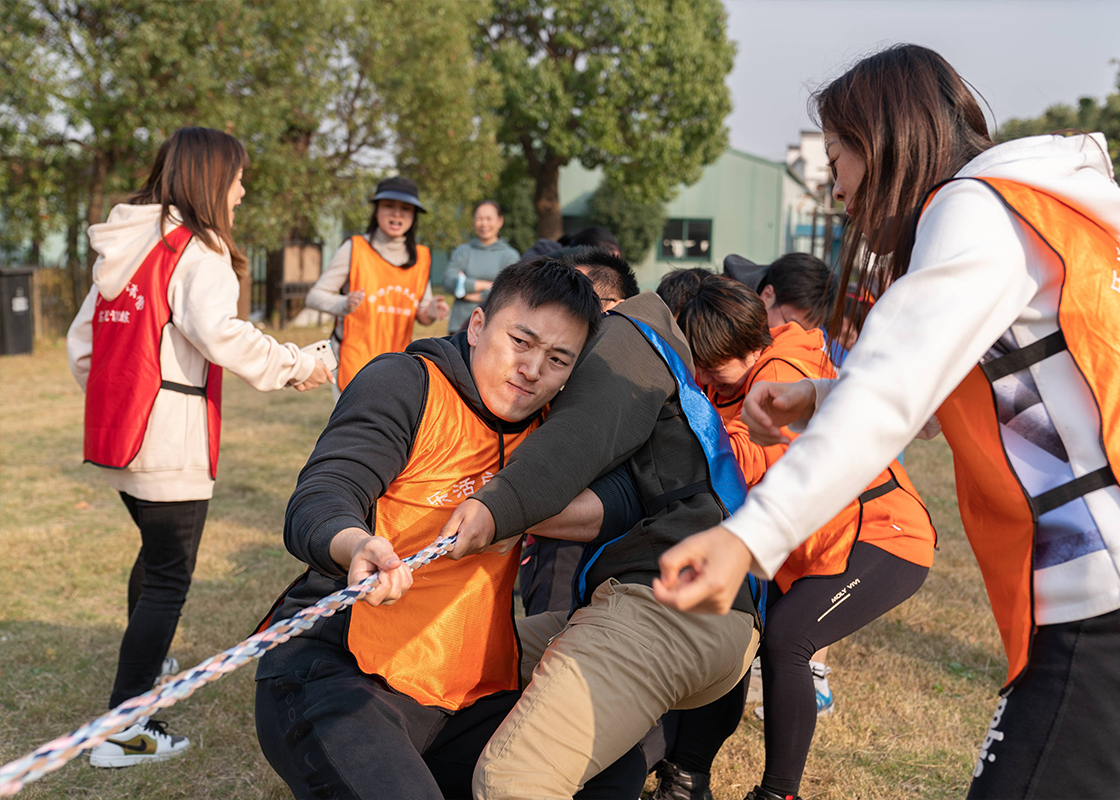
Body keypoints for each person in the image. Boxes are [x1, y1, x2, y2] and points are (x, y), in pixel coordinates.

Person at [654, 44, 1120, 799]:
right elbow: (961, 397)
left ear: (883, 143)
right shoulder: (1040, 215)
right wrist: (818, 398)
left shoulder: (976, 208)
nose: (836, 190)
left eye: (837, 160)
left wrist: (749, 537)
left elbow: (894, 391)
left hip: (1115, 600)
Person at [253, 258, 607, 799]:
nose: (532, 369)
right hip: (341, 671)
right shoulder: (406, 382)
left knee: (608, 773)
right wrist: (356, 544)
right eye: (520, 341)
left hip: (470, 692)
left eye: (557, 359)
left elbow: (623, 500)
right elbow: (323, 494)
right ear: (477, 325)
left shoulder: (553, 429)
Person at [440, 246, 762, 800]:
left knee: (513, 782)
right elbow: (612, 504)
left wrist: (493, 507)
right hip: (711, 617)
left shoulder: (627, 338)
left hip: (665, 610)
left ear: (605, 305)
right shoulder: (666, 373)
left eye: (569, 304)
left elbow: (569, 447)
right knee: (471, 656)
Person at [66, 126, 331, 768]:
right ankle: (123, 730)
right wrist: (298, 364)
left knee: (156, 560)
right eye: (237, 180)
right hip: (170, 440)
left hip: (124, 438)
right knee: (169, 579)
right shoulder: (198, 249)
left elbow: (82, 346)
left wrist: (123, 397)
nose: (240, 193)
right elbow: (222, 334)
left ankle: (146, 672)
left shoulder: (129, 242)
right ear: (211, 179)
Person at [652, 273, 935, 800]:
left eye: (713, 369)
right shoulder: (730, 376)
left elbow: (746, 455)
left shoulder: (780, 372)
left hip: (883, 537)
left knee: (787, 640)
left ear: (747, 346)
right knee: (733, 632)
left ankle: (778, 794)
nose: (707, 379)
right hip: (813, 549)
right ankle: (686, 778)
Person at [516, 248, 639, 616]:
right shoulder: (557, 365)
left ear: (615, 308)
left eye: (583, 301)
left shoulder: (625, 376)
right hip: (550, 534)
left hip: (579, 536)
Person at [305, 176, 449, 396]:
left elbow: (421, 314)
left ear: (414, 215)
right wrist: (344, 304)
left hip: (397, 364)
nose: (397, 214)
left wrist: (431, 311)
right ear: (376, 210)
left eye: (405, 208)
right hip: (353, 359)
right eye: (389, 206)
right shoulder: (355, 249)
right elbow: (314, 296)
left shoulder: (422, 258)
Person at [443, 200, 521, 333]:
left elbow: (508, 293)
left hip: (492, 327)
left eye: (489, 219)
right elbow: (448, 281)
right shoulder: (463, 251)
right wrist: (488, 285)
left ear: (500, 221)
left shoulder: (509, 256)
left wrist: (464, 291)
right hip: (459, 327)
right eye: (479, 219)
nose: (484, 224)